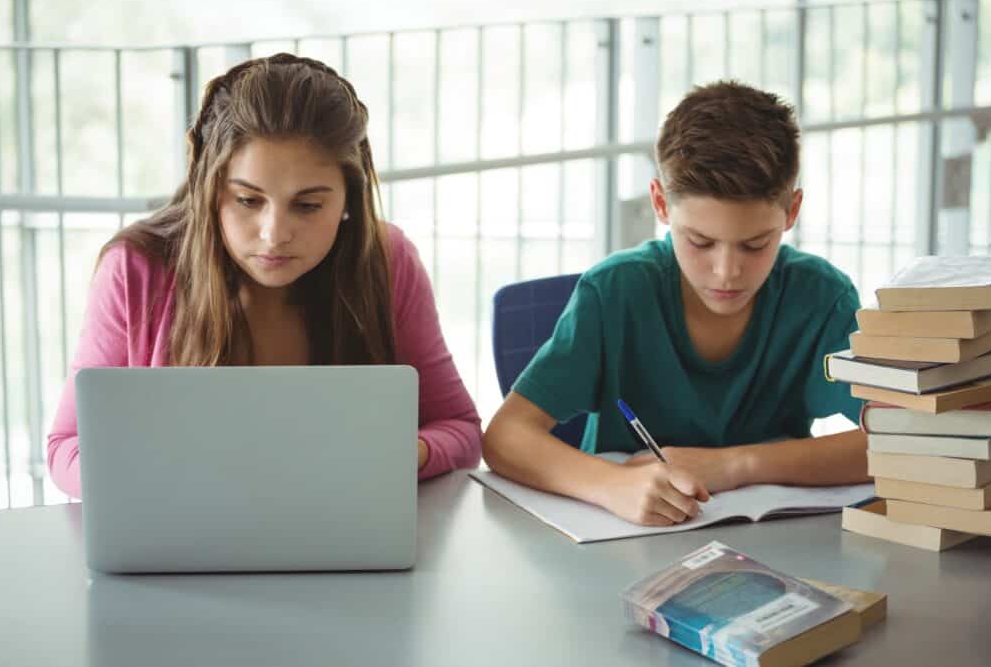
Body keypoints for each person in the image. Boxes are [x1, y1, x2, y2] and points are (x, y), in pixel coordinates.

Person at [47, 53, 481, 499]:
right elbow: (66, 448)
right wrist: (155, 480)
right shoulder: (136, 268)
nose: (275, 234)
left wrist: (400, 453)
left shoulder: (387, 260)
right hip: (179, 542)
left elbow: (461, 430)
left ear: (348, 200)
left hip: (338, 534)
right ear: (209, 189)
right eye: (248, 201)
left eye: (308, 205)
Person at [483, 81, 868, 527]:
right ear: (661, 204)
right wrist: (610, 485)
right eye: (700, 242)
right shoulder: (615, 292)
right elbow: (505, 436)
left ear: (792, 211)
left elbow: (909, 441)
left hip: (774, 546)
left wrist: (736, 465)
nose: (727, 272)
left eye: (756, 244)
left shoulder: (822, 298)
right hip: (625, 542)